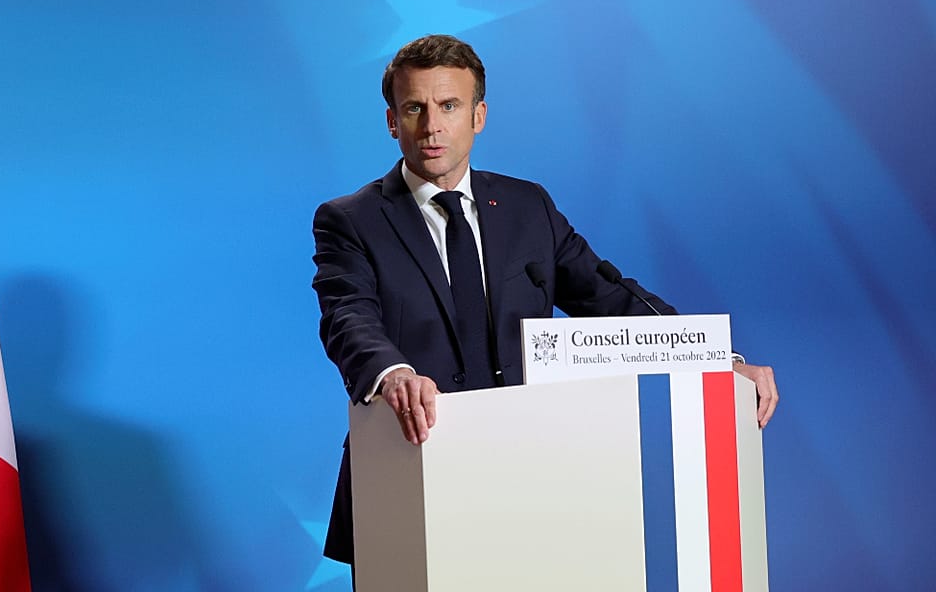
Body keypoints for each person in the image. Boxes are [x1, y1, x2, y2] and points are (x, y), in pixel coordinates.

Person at [311, 34, 778, 566]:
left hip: (533, 480)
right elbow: (348, 315)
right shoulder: (351, 219)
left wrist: (717, 360)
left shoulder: (527, 206)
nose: (432, 126)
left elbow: (610, 296)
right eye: (414, 108)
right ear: (392, 121)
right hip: (408, 472)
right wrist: (392, 372)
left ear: (478, 115)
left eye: (449, 106)